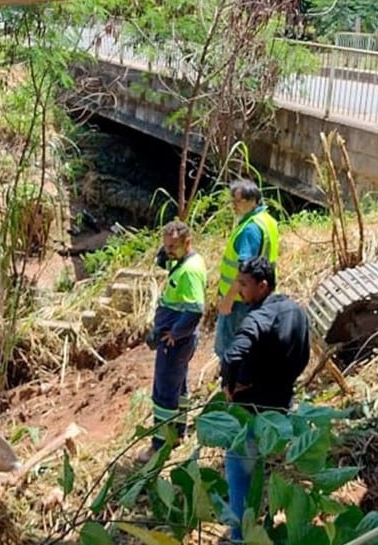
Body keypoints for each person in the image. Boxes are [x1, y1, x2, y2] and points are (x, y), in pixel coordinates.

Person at [220, 256, 310, 542]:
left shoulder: (259, 316)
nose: (240, 290)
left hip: (251, 411)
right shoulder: (296, 312)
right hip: (279, 409)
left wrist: (230, 385)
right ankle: (254, 527)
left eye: (244, 284)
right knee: (257, 470)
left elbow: (233, 354)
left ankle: (239, 537)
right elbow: (303, 357)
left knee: (238, 475)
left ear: (262, 286)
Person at [138, 221, 207, 462]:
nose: (168, 250)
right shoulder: (183, 261)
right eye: (166, 245)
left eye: (173, 246)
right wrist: (166, 251)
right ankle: (178, 433)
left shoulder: (189, 271)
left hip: (176, 343)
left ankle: (159, 446)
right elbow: (163, 262)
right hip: (178, 340)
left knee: (164, 392)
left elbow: (196, 309)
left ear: (187, 243)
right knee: (179, 387)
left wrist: (174, 334)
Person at [215, 179, 280, 363]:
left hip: (239, 300)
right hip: (258, 295)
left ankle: (229, 387)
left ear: (253, 201)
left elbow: (244, 270)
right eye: (232, 201)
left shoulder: (250, 229)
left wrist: (228, 298)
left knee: (229, 350)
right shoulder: (267, 221)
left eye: (239, 201)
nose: (234, 206)